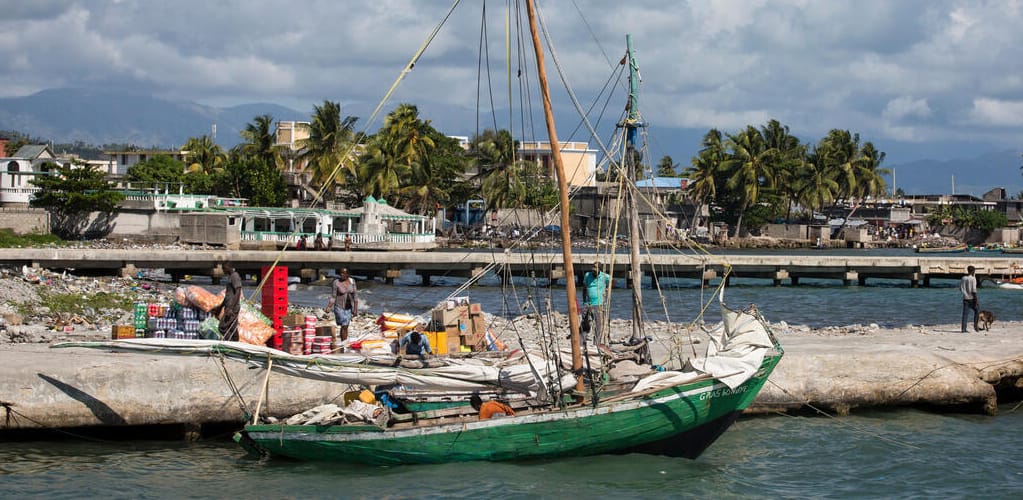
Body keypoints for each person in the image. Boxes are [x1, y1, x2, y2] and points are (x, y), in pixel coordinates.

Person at [581, 263, 611, 344]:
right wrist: (584, 301)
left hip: (598, 304)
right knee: (584, 323)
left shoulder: (605, 276)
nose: (593, 272)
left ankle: (596, 343)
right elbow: (584, 288)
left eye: (595, 271)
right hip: (587, 303)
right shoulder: (587, 275)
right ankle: (582, 341)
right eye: (593, 270)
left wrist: (607, 289)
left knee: (598, 324)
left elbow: (613, 281)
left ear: (600, 270)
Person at [327, 268, 358, 341]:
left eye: (344, 273)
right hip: (339, 307)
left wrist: (355, 309)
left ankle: (344, 342)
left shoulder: (352, 281)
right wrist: (329, 307)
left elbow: (355, 296)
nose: (342, 274)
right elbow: (333, 296)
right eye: (341, 273)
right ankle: (343, 341)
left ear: (348, 274)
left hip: (349, 307)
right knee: (344, 325)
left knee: (345, 326)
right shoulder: (336, 282)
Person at [220, 262, 242, 341]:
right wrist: (220, 307)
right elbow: (227, 296)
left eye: (224, 268)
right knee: (232, 328)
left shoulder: (235, 276)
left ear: (228, 267)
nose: (223, 270)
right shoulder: (230, 277)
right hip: (229, 306)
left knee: (222, 327)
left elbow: (238, 292)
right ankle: (235, 343)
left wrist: (231, 308)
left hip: (232, 308)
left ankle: (231, 343)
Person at [960, 265, 980, 333]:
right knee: (977, 311)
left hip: (965, 298)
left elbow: (960, 288)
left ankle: (963, 329)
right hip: (972, 298)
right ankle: (975, 326)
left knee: (965, 314)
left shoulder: (963, 278)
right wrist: (976, 300)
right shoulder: (973, 279)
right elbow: (974, 290)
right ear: (973, 271)